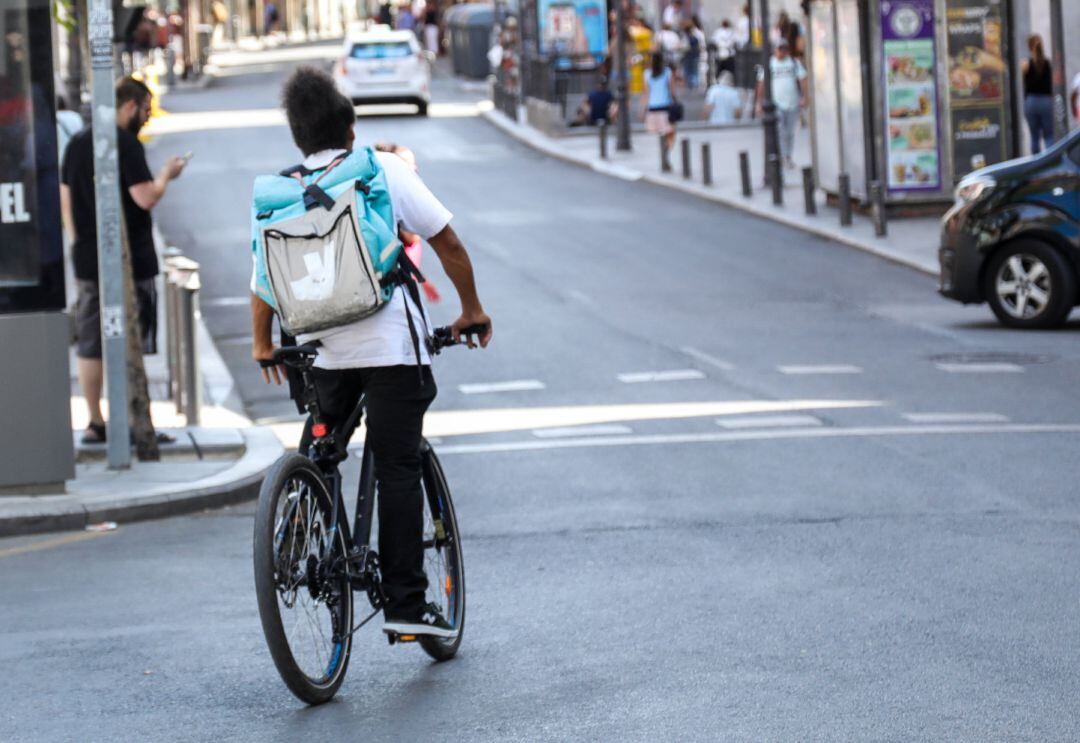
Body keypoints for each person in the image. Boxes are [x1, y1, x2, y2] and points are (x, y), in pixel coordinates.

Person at [250, 67, 492, 638]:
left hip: (321, 351)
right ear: (351, 130)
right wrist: (472, 309)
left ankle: (304, 525)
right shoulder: (380, 170)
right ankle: (407, 605)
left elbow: (263, 278)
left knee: (324, 441)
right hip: (389, 348)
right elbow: (447, 242)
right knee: (397, 463)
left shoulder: (280, 191)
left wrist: (263, 344)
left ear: (297, 136)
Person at [59, 77, 187, 444]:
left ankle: (96, 421)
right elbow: (145, 197)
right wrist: (166, 175)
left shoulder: (79, 143)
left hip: (87, 257)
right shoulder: (126, 145)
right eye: (146, 109)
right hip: (130, 261)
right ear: (129, 106)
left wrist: (79, 243)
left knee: (91, 340)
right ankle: (132, 420)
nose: (147, 117)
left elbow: (66, 199)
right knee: (129, 336)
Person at [756, 39, 806, 168]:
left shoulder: (794, 63)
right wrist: (759, 102)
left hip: (792, 102)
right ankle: (783, 156)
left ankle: (787, 156)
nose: (782, 52)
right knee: (781, 131)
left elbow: (803, 80)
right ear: (775, 50)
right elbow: (761, 84)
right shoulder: (770, 64)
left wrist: (804, 97)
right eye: (780, 49)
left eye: (784, 49)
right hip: (776, 103)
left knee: (789, 132)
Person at [1021, 34, 1054, 154]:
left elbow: (1023, 83)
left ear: (1030, 47)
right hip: (1046, 101)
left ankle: (1036, 167)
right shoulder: (1047, 63)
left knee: (1034, 137)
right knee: (1049, 136)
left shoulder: (1025, 64)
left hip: (1031, 101)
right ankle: (1051, 163)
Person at [643, 51, 676, 165]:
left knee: (661, 134)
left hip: (652, 108)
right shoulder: (668, 72)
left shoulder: (647, 74)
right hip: (665, 107)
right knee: (670, 134)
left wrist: (643, 109)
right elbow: (672, 91)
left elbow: (646, 94)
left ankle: (663, 155)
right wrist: (675, 101)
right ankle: (665, 153)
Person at [682, 17, 705, 90]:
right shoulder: (696, 36)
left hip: (689, 56)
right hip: (695, 55)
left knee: (689, 71)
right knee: (694, 70)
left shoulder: (687, 36)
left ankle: (691, 85)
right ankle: (694, 84)